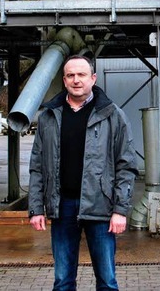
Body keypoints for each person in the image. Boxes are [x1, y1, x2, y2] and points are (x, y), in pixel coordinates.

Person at [28, 54, 138, 290]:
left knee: (107, 281)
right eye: (70, 75)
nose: (76, 80)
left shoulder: (112, 115)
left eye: (81, 75)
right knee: (62, 281)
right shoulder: (49, 117)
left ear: (93, 78)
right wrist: (36, 208)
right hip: (62, 207)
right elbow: (37, 166)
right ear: (64, 80)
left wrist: (120, 210)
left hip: (101, 208)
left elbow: (126, 165)